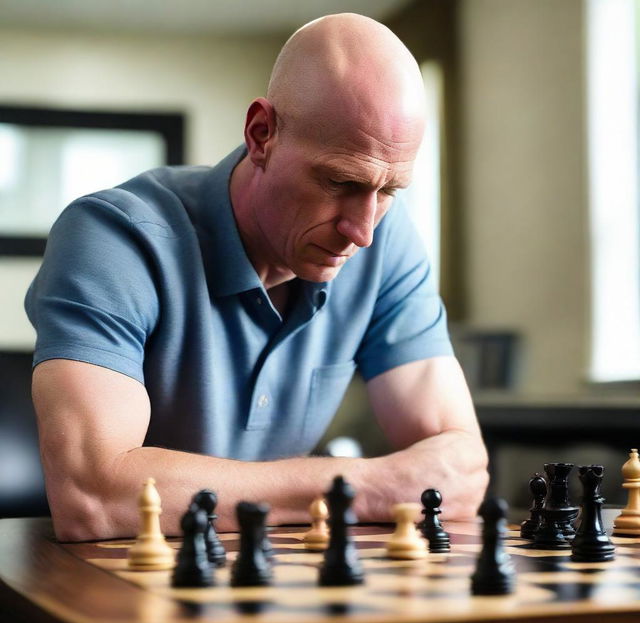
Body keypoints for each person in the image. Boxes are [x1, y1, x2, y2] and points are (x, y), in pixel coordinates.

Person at [25, 13, 488, 542]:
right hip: (119, 586)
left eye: (388, 191)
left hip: (279, 578)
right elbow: (92, 496)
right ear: (261, 134)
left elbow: (462, 470)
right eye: (339, 180)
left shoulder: (386, 240)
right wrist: (366, 485)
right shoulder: (113, 238)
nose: (361, 231)